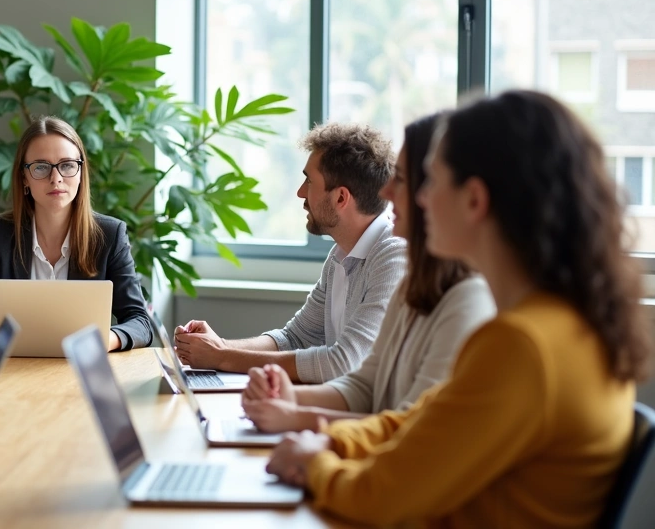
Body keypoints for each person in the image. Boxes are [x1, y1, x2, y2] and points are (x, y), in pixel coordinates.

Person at [265, 90, 654, 527]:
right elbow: (421, 424)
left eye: (430, 180)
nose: (412, 197)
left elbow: (382, 497)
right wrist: (331, 441)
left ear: (474, 200)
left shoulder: (522, 344)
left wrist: (314, 465)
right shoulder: (557, 324)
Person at [240, 113, 495, 432]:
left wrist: (297, 417)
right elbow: (365, 386)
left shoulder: (467, 297)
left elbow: (412, 429)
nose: (386, 193)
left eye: (401, 180)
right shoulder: (412, 285)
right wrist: (290, 398)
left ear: (470, 199)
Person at [176, 123, 405, 382]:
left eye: (309, 180)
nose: (300, 192)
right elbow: (294, 338)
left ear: (341, 198)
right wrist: (218, 345)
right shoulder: (340, 255)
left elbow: (342, 363)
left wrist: (220, 356)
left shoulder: (394, 257)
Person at [0, 115, 153, 352]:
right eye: (41, 167)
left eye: (67, 165)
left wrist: (105, 340)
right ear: (24, 178)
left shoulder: (110, 235)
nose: (56, 178)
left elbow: (140, 321)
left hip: (83, 367)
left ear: (81, 173)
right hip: (13, 368)